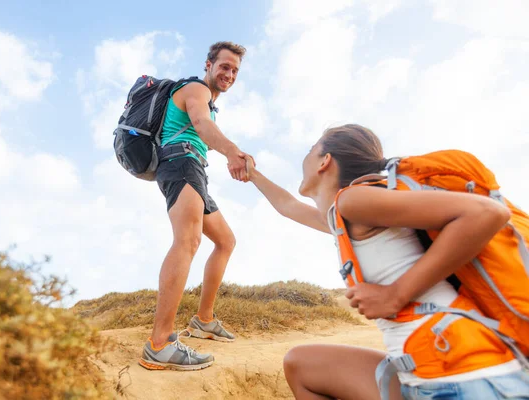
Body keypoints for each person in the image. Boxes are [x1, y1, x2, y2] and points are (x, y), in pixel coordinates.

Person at [245, 124, 529, 399]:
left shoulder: (353, 201)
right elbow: (289, 207)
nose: (304, 157)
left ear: (325, 162)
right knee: (302, 365)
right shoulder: (343, 215)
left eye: (311, 149)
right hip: (426, 374)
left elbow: (488, 213)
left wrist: (395, 295)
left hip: (467, 377)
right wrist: (251, 173)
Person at [139, 41, 253, 371]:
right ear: (208, 64)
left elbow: (206, 125)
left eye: (235, 70)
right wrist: (233, 151)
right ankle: (159, 343)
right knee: (187, 241)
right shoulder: (196, 89)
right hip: (181, 162)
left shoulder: (208, 99)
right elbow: (202, 125)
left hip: (193, 167)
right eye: (224, 66)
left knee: (225, 241)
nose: (229, 74)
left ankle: (204, 320)